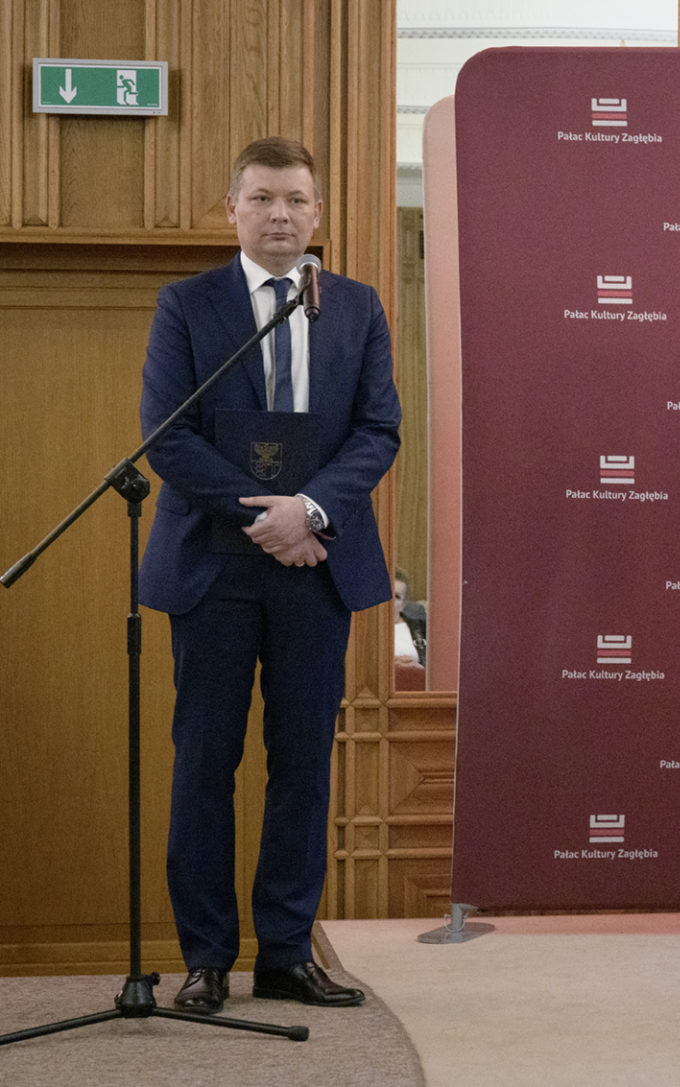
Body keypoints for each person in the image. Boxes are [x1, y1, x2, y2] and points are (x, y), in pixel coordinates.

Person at [139, 137, 401, 1014]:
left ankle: (286, 952)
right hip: (212, 568)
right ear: (233, 211)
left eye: (295, 199)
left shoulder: (357, 307)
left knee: (302, 766)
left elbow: (378, 429)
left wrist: (309, 512)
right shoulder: (187, 305)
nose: (279, 213)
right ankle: (207, 957)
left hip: (315, 568)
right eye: (261, 198)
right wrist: (269, 517)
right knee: (204, 763)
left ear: (318, 213)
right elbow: (168, 434)